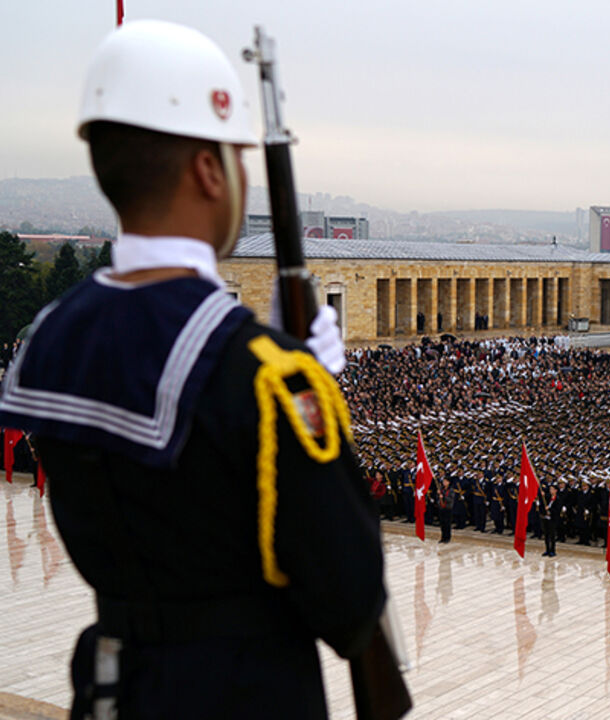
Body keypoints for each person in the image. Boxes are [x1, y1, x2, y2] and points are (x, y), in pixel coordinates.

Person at [0, 21, 386, 719]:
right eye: (237, 159)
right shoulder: (265, 377)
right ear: (209, 171)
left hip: (114, 688)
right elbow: (350, 598)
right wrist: (312, 387)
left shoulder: (53, 337)